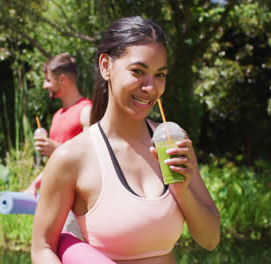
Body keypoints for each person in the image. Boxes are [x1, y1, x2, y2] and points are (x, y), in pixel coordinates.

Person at [31, 16, 221, 264]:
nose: (151, 87)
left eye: (160, 74)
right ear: (106, 66)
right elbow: (42, 247)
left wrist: (182, 190)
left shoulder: (173, 142)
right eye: (138, 72)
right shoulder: (72, 158)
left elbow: (210, 240)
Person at [24, 53, 91, 239]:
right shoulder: (57, 115)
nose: (45, 85)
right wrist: (35, 184)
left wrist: (58, 149)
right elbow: (56, 162)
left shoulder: (86, 110)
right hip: (56, 205)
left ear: (62, 79)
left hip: (77, 206)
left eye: (48, 80)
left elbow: (93, 157)